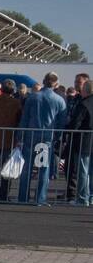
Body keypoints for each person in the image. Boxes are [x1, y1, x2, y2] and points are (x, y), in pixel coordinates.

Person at [18, 72, 67, 205]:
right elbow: (62, 122)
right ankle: (40, 198)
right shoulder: (59, 100)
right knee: (43, 169)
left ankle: (23, 197)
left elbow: (25, 118)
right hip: (47, 138)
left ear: (44, 81)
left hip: (31, 135)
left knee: (27, 168)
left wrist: (20, 136)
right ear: (56, 83)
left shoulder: (33, 97)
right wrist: (57, 136)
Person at [66, 78, 93, 206]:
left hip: (84, 141)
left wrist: (68, 130)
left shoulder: (84, 104)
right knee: (90, 172)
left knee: (83, 172)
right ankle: (91, 196)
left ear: (85, 90)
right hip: (88, 140)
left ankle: (82, 198)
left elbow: (76, 123)